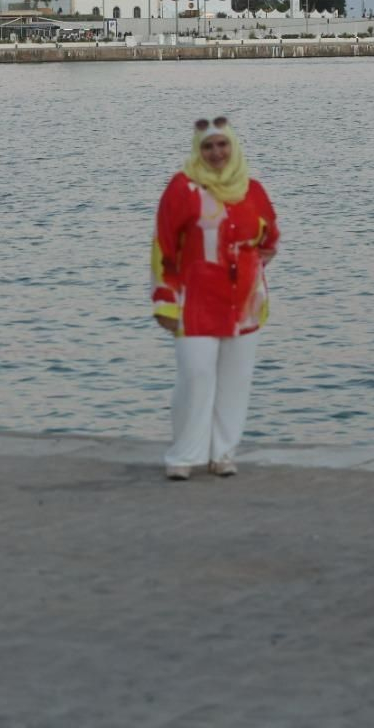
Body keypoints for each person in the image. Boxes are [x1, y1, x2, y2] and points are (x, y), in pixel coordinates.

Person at [151, 116, 280, 480]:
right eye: (208, 146)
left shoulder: (252, 189)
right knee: (195, 374)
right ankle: (184, 454)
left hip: (244, 304)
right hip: (194, 301)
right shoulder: (182, 189)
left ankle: (222, 453)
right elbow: (163, 246)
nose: (216, 152)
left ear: (233, 147)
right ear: (198, 150)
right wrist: (164, 300)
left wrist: (255, 262)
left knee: (235, 380)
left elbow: (270, 236)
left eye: (222, 144)